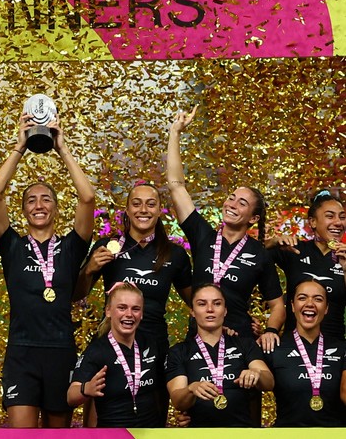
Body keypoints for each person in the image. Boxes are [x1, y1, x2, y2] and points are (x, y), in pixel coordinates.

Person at [0, 113, 94, 427]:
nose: (39, 205)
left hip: (60, 351)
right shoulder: (12, 245)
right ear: (23, 210)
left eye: (46, 199)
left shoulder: (72, 247)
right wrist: (19, 148)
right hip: (22, 353)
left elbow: (87, 197)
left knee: (57, 436)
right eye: (31, 200)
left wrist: (62, 149)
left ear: (56, 208)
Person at [167, 106, 285, 349]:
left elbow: (278, 305)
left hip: (239, 339)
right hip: (199, 338)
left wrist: (270, 330)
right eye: (231, 197)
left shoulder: (259, 253)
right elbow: (176, 185)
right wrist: (175, 133)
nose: (232, 204)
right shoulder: (203, 235)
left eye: (242, 203)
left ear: (253, 218)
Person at [75, 182, 192, 425]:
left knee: (153, 420)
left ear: (160, 210)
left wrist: (230, 321)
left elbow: (196, 300)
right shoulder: (107, 247)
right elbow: (75, 294)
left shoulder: (175, 254)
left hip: (154, 346)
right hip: (111, 345)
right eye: (136, 203)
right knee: (99, 422)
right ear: (126, 210)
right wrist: (89, 270)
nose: (143, 210)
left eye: (151, 204)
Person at [165, 283, 273, 427]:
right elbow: (178, 401)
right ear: (192, 311)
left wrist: (256, 373)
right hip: (199, 434)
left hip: (241, 433)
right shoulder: (179, 351)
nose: (210, 309)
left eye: (217, 304)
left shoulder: (244, 344)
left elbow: (269, 382)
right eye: (202, 304)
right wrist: (191, 388)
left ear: (225, 310)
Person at [67, 282, 163, 427]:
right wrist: (86, 388)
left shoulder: (151, 343)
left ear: (142, 313)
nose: (129, 314)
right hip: (112, 433)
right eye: (122, 308)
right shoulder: (97, 351)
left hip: (150, 432)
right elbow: (71, 396)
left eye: (135, 309)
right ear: (108, 311)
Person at [263, 279, 346, 426]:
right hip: (288, 435)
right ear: (293, 306)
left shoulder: (342, 349)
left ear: (326, 308)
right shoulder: (273, 347)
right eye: (302, 298)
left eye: (318, 299)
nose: (309, 303)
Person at [267, 190, 346, 341]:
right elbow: (252, 252)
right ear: (313, 222)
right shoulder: (295, 250)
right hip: (293, 348)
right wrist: (273, 242)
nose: (338, 222)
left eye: (342, 217)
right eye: (330, 216)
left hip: (335, 348)